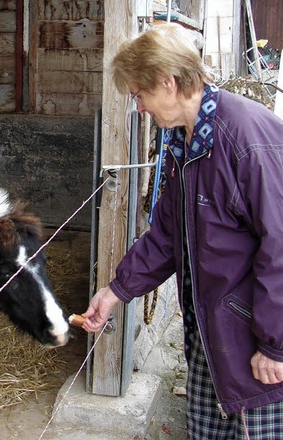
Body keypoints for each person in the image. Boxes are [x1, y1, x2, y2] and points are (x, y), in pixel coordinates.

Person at [81, 23, 283, 439]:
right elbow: (169, 233)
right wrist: (117, 291)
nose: (138, 107)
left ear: (168, 83)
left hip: (252, 341)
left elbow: (281, 245)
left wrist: (275, 343)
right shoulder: (184, 143)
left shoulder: (246, 138)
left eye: (139, 94)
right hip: (212, 331)